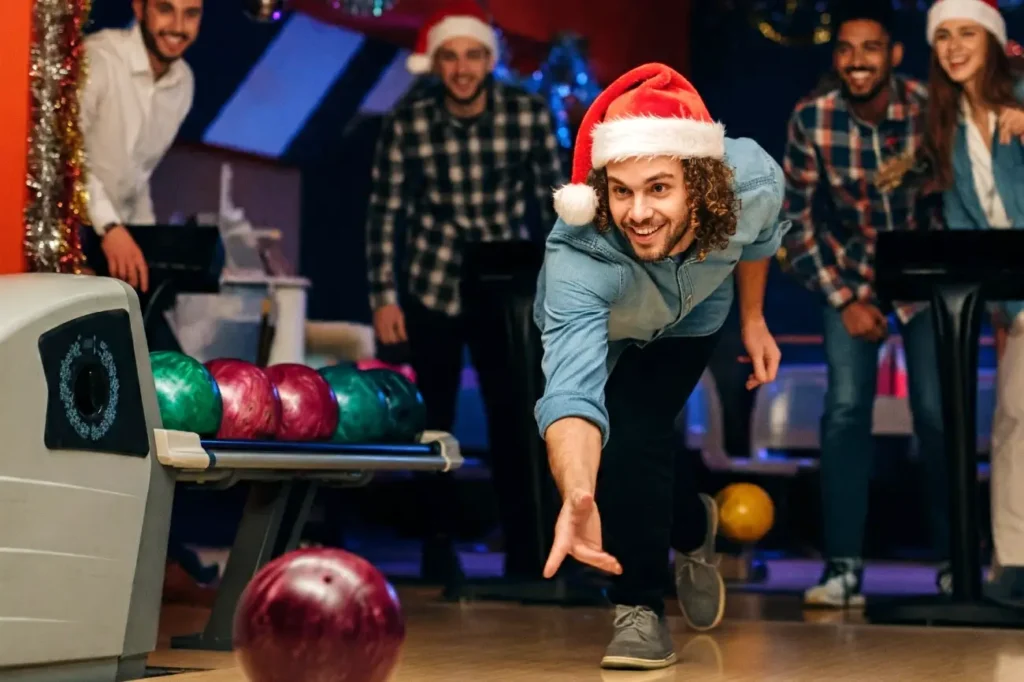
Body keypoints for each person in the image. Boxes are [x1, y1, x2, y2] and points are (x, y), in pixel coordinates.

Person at [535, 62, 786, 670]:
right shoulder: (578, 258)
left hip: (693, 317)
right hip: (604, 327)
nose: (638, 212)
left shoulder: (751, 177)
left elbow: (759, 239)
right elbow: (571, 398)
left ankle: (639, 604)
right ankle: (674, 551)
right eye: (621, 191)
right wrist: (576, 493)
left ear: (700, 182)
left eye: (658, 188)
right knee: (609, 442)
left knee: (637, 436)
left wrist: (753, 319)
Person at [365, 0, 565, 584]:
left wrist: (564, 286)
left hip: (506, 285)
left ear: (490, 61)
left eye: (473, 56)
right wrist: (384, 295)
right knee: (436, 419)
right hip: (434, 279)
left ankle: (524, 547)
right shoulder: (409, 117)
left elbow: (558, 204)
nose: (462, 69)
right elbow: (385, 211)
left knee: (515, 415)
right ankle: (437, 539)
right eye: (450, 57)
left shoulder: (527, 113)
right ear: (436, 63)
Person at [780, 0, 951, 608]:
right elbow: (792, 224)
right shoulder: (813, 118)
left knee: (938, 416)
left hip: (927, 283)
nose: (858, 61)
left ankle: (958, 564)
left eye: (871, 48)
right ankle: (843, 568)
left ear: (894, 56)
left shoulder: (930, 109)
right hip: (849, 276)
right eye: (847, 50)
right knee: (846, 412)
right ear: (837, 59)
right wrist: (847, 298)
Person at [923, 0, 1024, 602]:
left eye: (966, 33)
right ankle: (1012, 561)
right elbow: (965, 221)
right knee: (1011, 417)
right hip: (1014, 296)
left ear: (991, 40)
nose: (954, 46)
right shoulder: (948, 120)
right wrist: (999, 309)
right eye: (943, 37)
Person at [81, 0, 201, 293]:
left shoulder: (184, 83)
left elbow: (139, 176)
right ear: (139, 9)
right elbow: (65, 156)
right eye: (165, 9)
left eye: (191, 14)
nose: (177, 27)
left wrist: (149, 246)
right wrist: (109, 227)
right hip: (69, 235)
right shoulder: (99, 58)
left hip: (115, 239)